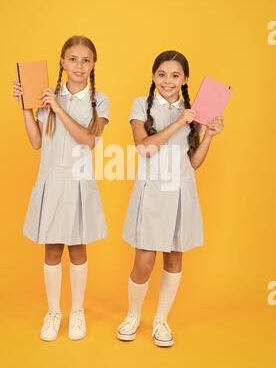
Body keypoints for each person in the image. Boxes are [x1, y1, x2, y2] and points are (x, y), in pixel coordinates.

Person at [119, 50, 224, 347]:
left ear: (185, 79)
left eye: (175, 75)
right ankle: (133, 315)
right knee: (144, 260)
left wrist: (210, 136)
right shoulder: (141, 105)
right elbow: (143, 147)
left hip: (181, 192)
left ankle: (161, 321)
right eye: (162, 74)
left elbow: (193, 163)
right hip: (151, 192)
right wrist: (179, 122)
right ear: (153, 76)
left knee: (174, 257)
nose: (168, 81)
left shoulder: (196, 111)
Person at [13, 35, 109, 342]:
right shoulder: (47, 96)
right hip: (51, 181)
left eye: (86, 60)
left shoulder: (99, 99)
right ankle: (54, 313)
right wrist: (27, 108)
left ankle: (77, 312)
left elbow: (89, 140)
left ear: (93, 64)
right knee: (52, 249)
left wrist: (59, 107)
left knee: (78, 249)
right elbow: (36, 142)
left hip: (79, 183)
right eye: (73, 59)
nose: (79, 66)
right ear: (62, 62)